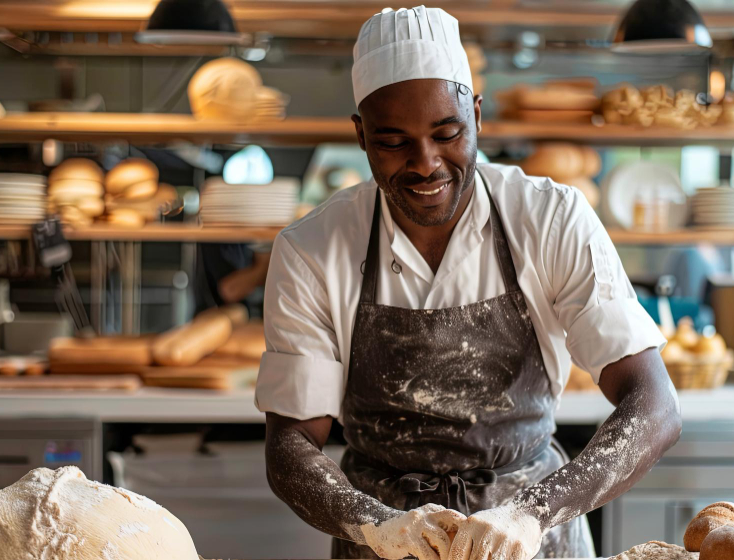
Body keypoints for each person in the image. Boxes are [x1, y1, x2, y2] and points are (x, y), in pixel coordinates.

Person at [256, 6, 682, 560]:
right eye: (393, 142)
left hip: (533, 539)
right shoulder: (312, 248)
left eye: (447, 132)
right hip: (382, 544)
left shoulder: (549, 217)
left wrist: (532, 513)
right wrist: (377, 525)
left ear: (476, 115)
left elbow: (653, 405)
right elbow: (290, 443)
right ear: (360, 136)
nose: (425, 163)